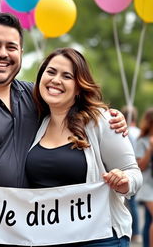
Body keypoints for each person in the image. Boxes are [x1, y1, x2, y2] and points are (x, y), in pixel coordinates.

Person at [0, 13, 129, 247]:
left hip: (13, 236)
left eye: (11, 47)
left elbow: (71, 103)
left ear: (21, 54)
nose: (3, 54)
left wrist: (110, 117)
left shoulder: (32, 95)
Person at [25, 47, 142, 246]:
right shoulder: (37, 122)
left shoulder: (103, 121)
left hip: (100, 238)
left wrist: (124, 181)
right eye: (51, 72)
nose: (56, 80)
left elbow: (133, 173)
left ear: (79, 87)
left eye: (67, 76)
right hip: (49, 239)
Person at [121, 106, 142, 243]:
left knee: (128, 204)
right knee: (132, 203)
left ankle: (132, 231)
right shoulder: (139, 132)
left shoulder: (122, 131)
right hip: (138, 172)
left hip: (125, 170)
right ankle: (136, 232)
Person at [135, 107, 153, 247]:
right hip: (147, 186)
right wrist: (150, 149)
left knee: (148, 220)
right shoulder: (142, 141)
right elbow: (141, 166)